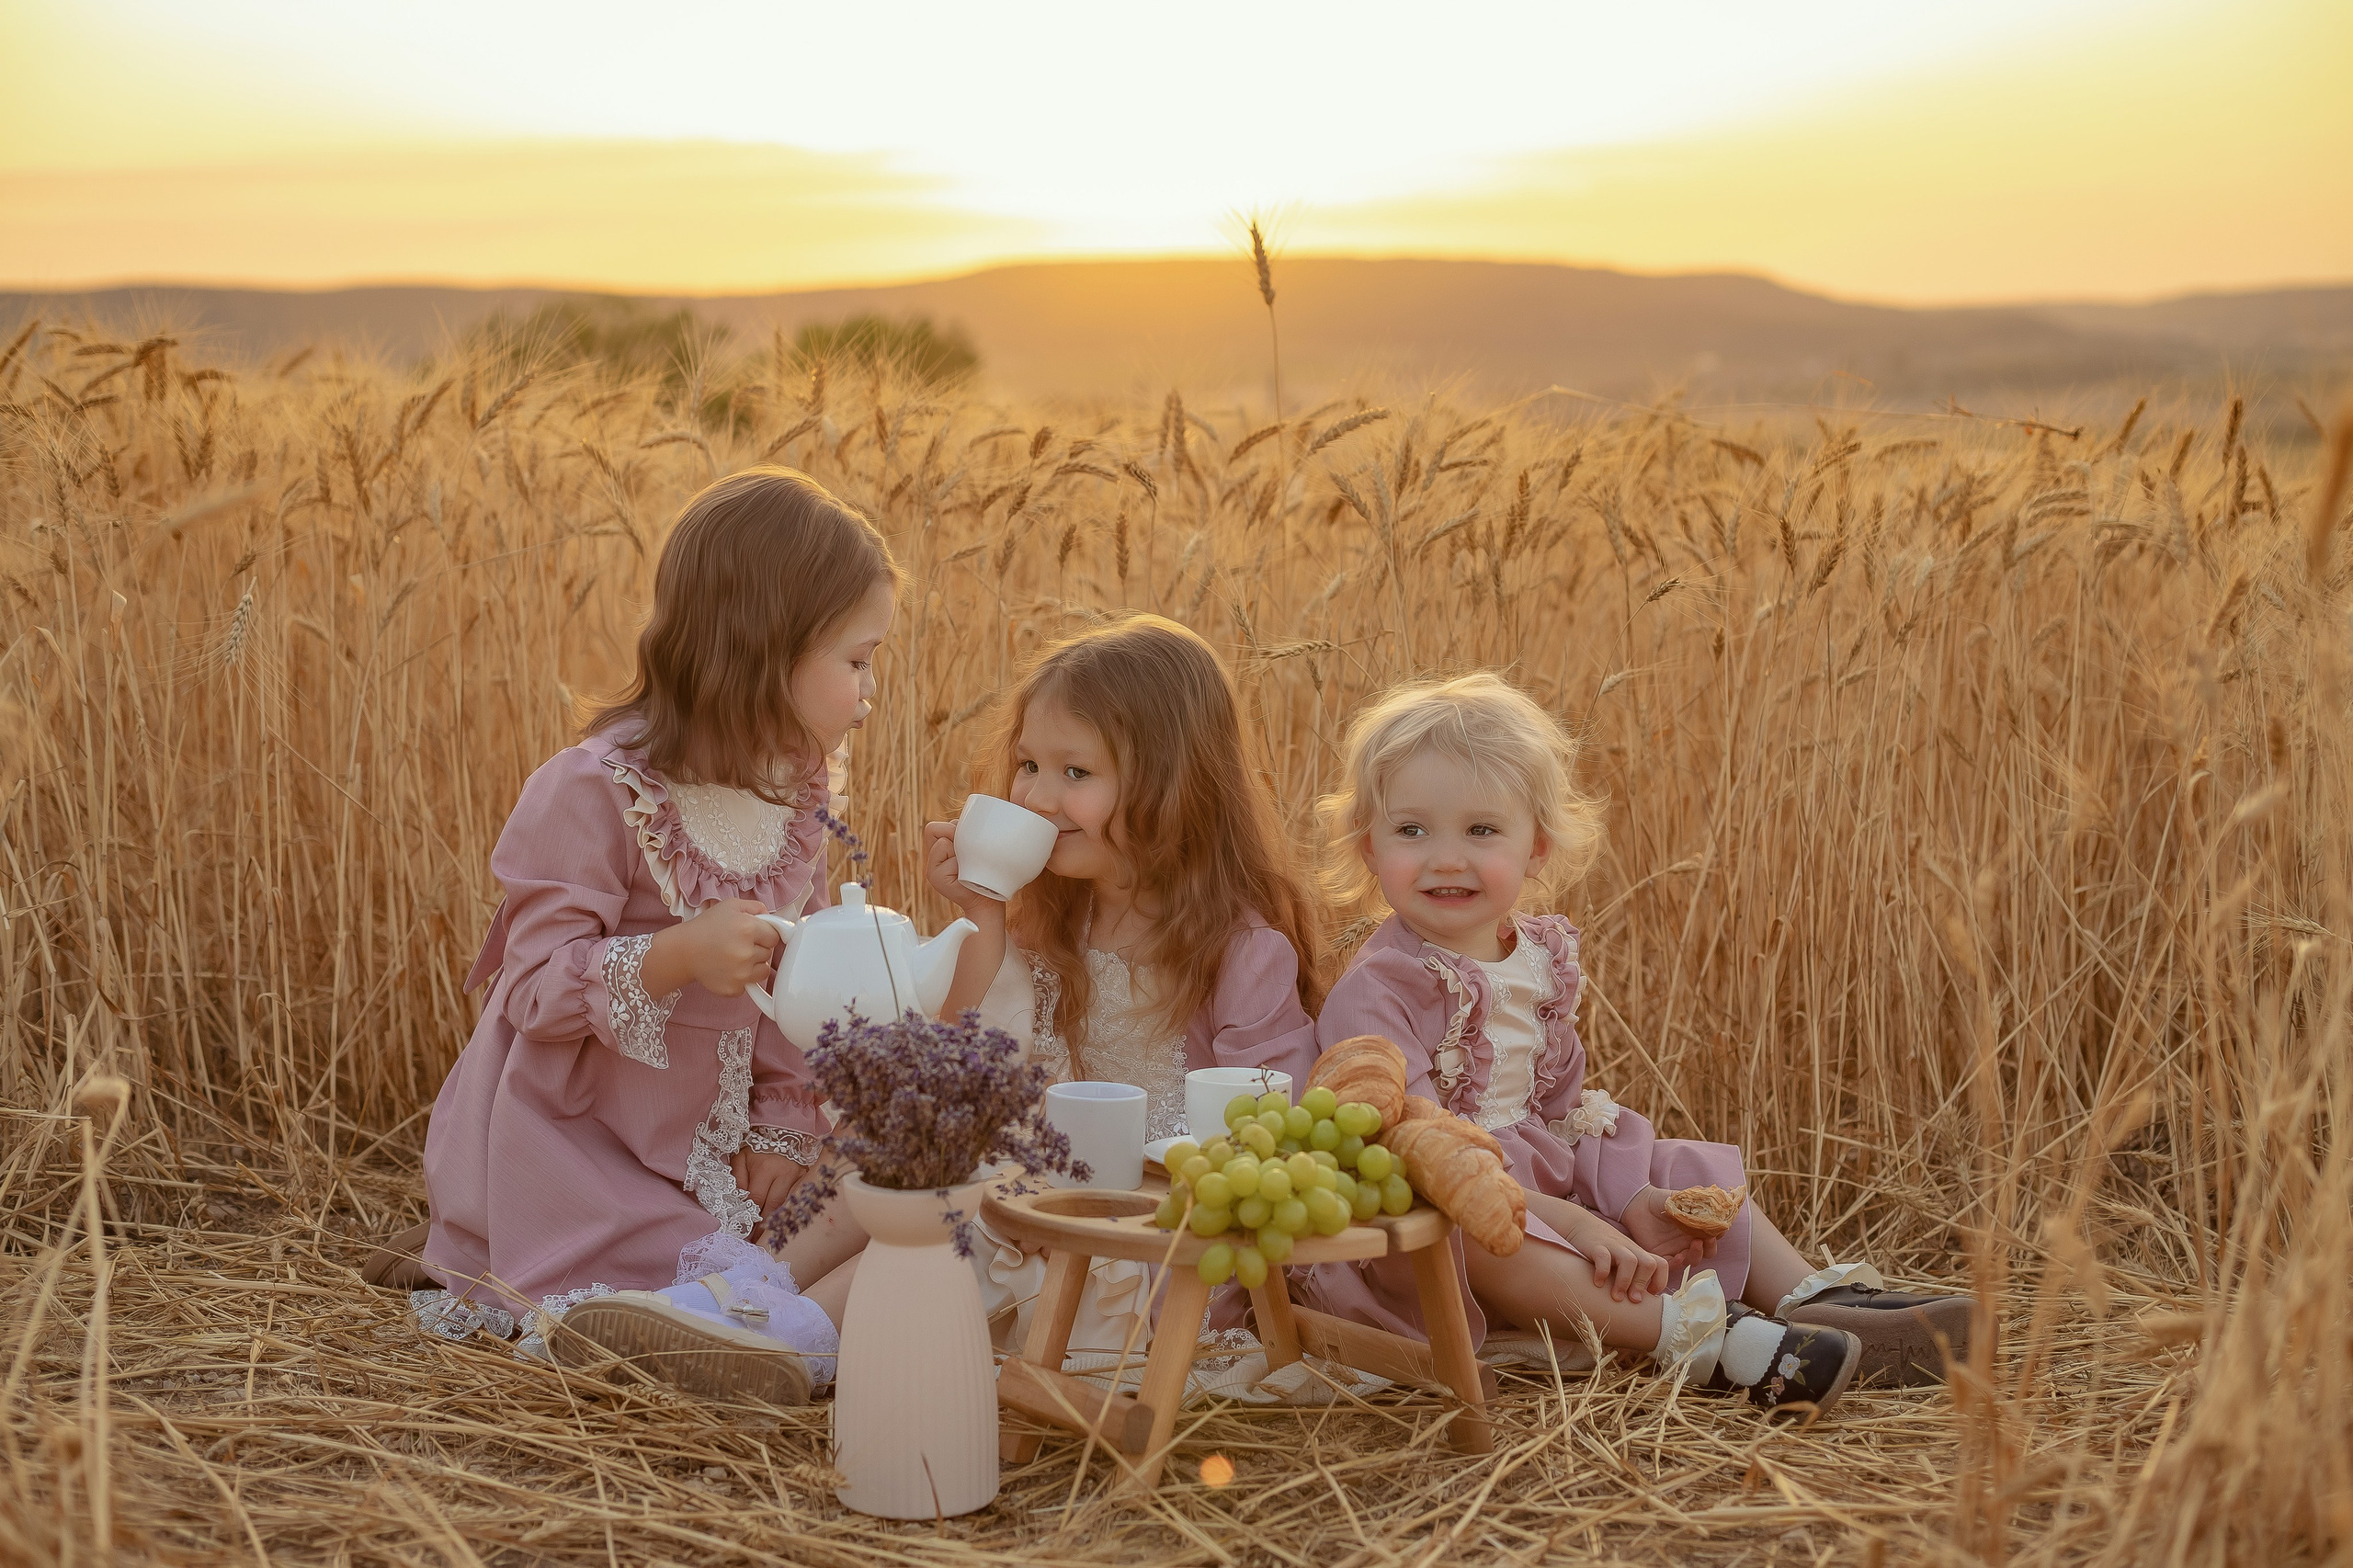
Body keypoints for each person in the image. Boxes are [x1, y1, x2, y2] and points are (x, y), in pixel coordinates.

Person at [1308, 674, 1972, 1415]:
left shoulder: (1538, 958)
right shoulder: (1379, 990)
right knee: (1486, 1238)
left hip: (1541, 1172)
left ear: (1537, 847)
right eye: (1412, 831)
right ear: (1368, 847)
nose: (1446, 858)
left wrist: (1630, 1197)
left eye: (1482, 831)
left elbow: (1559, 1113)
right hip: (1442, 1205)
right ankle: (1716, 1341)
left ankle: (1820, 1305)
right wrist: (1571, 1218)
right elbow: (1420, 1157)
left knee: (1684, 1173)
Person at [412, 468, 889, 1403]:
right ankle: (705, 1327)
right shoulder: (596, 789)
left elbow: (796, 990)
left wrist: (783, 1124)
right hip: (583, 1144)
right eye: (858, 661)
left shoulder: (794, 801)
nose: (872, 692)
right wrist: (677, 956)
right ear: (764, 652)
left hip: (712, 1143)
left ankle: (748, 1321)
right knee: (665, 1263)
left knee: (888, 1187)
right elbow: (532, 989)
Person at [923, 615, 1322, 1351]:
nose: (1037, 798)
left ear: (1173, 785)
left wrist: (1064, 1208)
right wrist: (984, 908)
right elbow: (960, 1071)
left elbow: (1265, 1147)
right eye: (1028, 765)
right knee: (901, 1170)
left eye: (1076, 774)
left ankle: (796, 1333)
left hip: (1147, 1258)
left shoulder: (1241, 955)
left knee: (943, 1228)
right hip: (1038, 1210)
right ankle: (772, 1303)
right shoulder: (1049, 923)